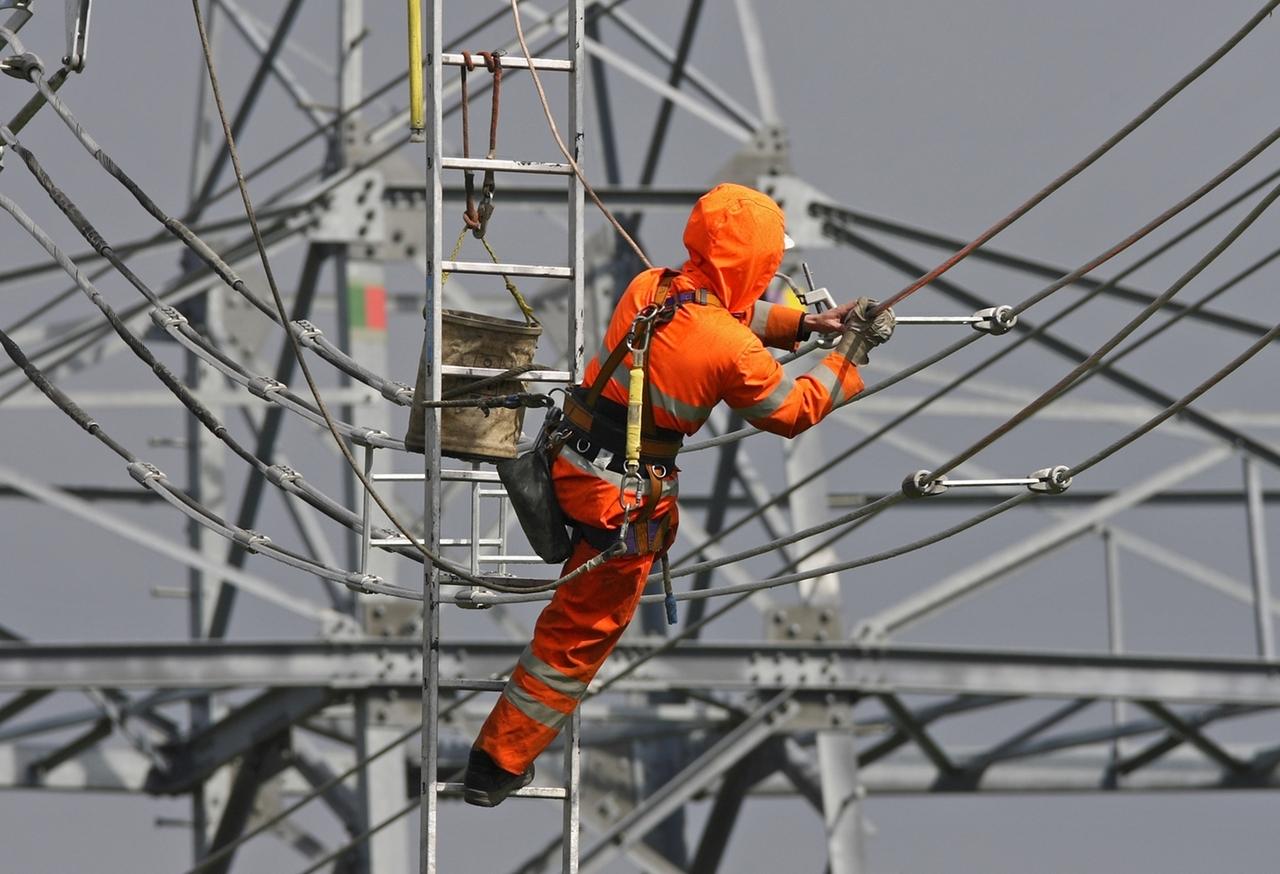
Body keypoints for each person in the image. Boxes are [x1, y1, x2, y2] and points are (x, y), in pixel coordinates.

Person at [464, 182, 895, 806]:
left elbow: (721, 310)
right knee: (576, 636)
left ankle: (501, 754)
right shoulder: (731, 350)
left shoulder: (655, 286)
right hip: (618, 499)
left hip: (571, 463)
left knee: (575, 619)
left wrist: (806, 324)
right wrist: (848, 353)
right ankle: (496, 764)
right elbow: (792, 409)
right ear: (756, 263)